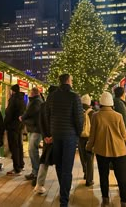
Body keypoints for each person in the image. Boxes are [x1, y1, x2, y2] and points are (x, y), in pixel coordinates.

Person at [86, 92, 126, 207]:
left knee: (103, 176)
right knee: (121, 177)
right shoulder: (118, 116)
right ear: (111, 103)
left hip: (102, 151)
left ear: (101, 103)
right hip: (120, 151)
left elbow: (92, 135)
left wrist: (88, 147)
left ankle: (105, 200)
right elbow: (124, 134)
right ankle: (124, 201)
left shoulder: (96, 116)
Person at [47, 74, 83, 207]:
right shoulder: (74, 96)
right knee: (67, 168)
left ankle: (64, 190)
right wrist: (78, 134)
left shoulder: (52, 96)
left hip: (56, 135)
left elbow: (47, 115)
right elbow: (79, 118)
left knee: (59, 165)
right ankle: (64, 200)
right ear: (68, 81)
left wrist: (49, 133)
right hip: (70, 136)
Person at [34, 85, 57, 194]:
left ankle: (39, 184)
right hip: (55, 138)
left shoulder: (43, 106)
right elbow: (57, 123)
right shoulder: (57, 106)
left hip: (47, 138)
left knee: (44, 161)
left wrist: (45, 137)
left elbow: (40, 123)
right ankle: (64, 186)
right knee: (60, 162)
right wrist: (53, 137)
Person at [19, 87, 43, 183]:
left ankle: (36, 173)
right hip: (34, 128)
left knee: (33, 150)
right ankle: (35, 171)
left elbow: (30, 112)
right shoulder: (36, 101)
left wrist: (22, 117)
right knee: (32, 150)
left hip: (36, 129)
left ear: (32, 93)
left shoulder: (36, 102)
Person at [4, 84, 26, 176]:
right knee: (19, 146)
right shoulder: (22, 99)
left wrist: (5, 125)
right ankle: (21, 164)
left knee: (14, 147)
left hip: (12, 126)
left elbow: (9, 113)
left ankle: (16, 168)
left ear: (13, 91)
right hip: (19, 126)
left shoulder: (13, 100)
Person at [78, 94, 95, 186]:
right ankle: (89, 179)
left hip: (80, 137)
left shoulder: (78, 111)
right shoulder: (93, 113)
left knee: (82, 156)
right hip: (90, 138)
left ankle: (85, 172)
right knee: (90, 157)